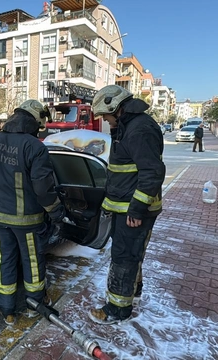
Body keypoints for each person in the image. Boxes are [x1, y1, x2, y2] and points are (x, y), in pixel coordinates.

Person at [0, 99, 65, 326]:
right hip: (28, 221)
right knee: (33, 263)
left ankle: (6, 310)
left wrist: (0, 193)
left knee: (4, 259)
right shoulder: (35, 147)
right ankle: (34, 305)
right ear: (34, 122)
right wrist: (56, 212)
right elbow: (43, 189)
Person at [88, 85, 165, 324]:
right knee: (132, 255)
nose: (105, 121)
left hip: (133, 210)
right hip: (127, 207)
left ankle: (116, 310)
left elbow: (152, 171)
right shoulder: (129, 126)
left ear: (116, 108)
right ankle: (134, 293)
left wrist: (137, 208)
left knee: (124, 257)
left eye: (106, 116)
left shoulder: (139, 129)